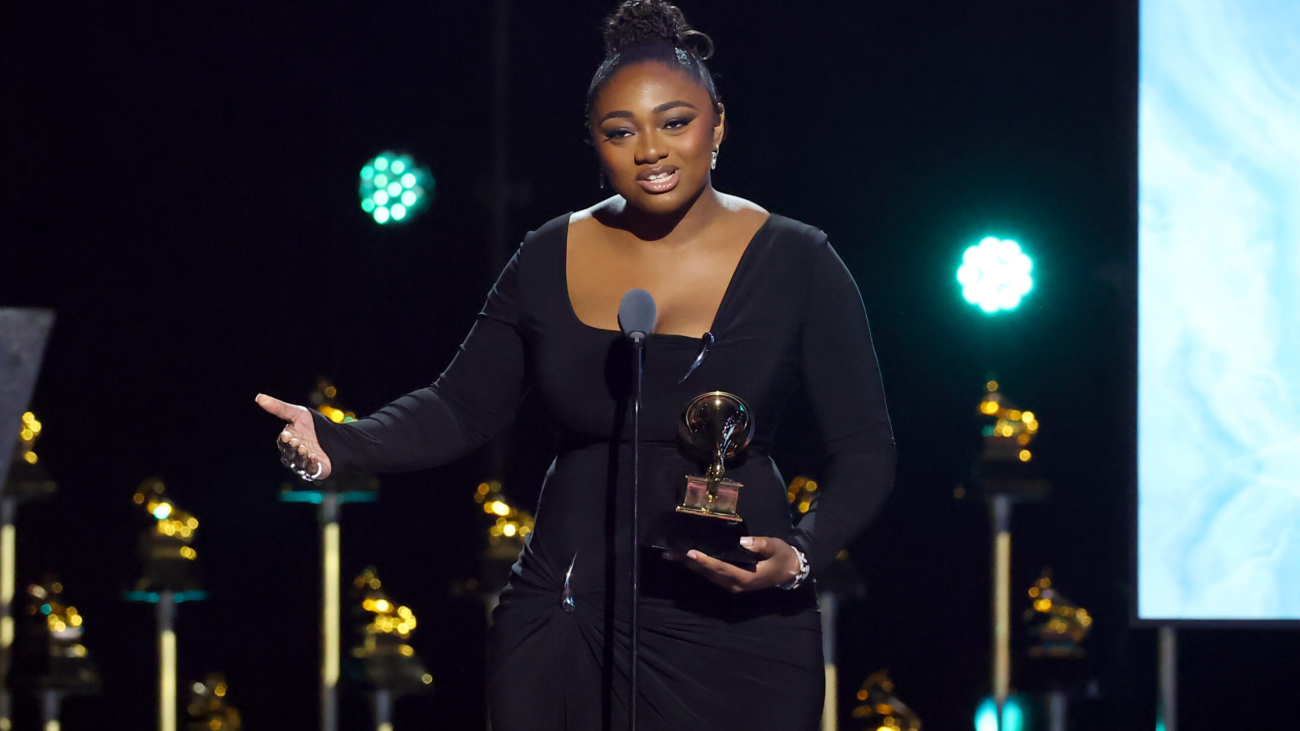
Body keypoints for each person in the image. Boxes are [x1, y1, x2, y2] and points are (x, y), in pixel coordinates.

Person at [256, 1, 895, 728]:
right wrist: (341, 440)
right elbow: (460, 407)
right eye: (621, 132)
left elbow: (867, 447)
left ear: (718, 125)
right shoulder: (546, 254)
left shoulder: (799, 259)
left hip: (738, 625)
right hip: (566, 616)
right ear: (593, 143)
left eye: (675, 123)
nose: (649, 150)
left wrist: (803, 553)